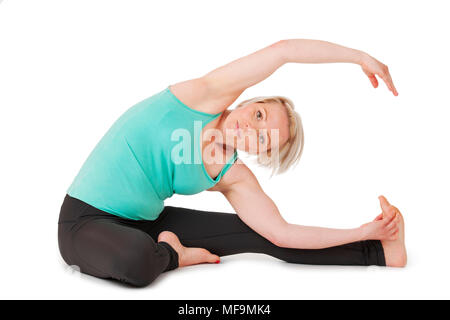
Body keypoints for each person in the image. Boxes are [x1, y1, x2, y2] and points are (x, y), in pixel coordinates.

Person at [58, 39, 407, 287]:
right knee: (136, 261)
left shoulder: (233, 175)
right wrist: (358, 55)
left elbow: (282, 234)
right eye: (258, 115)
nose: (250, 129)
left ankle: (379, 253)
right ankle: (174, 255)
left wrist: (364, 232)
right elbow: (283, 51)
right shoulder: (202, 96)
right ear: (249, 101)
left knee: (261, 237)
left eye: (262, 138)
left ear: (261, 153)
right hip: (84, 220)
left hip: (144, 222)